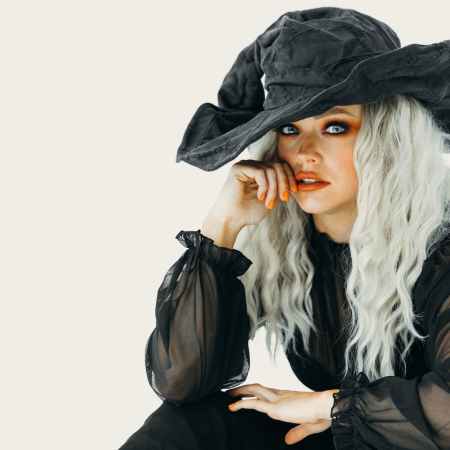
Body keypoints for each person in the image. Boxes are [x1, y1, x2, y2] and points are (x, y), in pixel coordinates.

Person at [119, 7, 450, 450]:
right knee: (187, 426)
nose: (305, 151)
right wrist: (223, 226)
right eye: (290, 128)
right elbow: (181, 381)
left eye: (336, 127)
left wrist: (329, 406)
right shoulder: (286, 245)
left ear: (387, 139)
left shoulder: (439, 249)